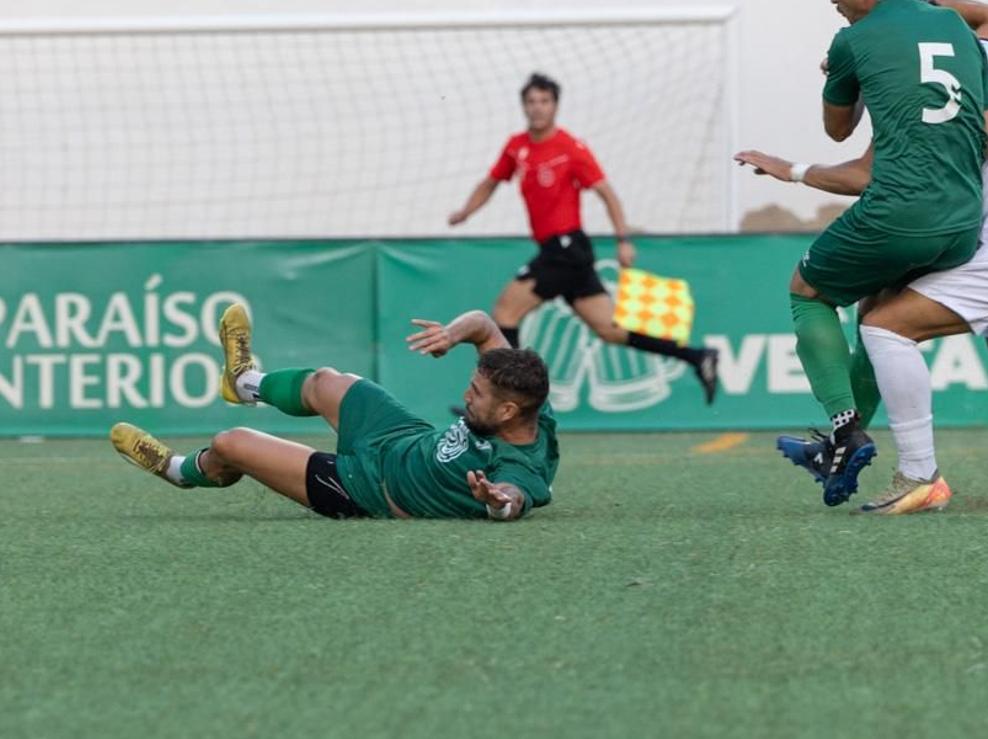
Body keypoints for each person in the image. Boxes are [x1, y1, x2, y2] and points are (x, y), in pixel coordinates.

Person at [736, 0, 988, 514]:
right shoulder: (981, 63)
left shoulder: (921, 101)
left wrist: (793, 168)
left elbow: (869, 172)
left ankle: (918, 475)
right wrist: (917, 3)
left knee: (885, 327)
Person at [764, 0, 988, 508]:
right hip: (962, 222)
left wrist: (844, 76)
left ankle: (845, 426)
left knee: (807, 292)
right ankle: (842, 449)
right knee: (878, 310)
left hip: (900, 211)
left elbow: (837, 128)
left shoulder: (854, 40)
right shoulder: (955, 28)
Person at [110, 304, 557, 521]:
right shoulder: (527, 397)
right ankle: (244, 382)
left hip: (367, 488)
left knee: (232, 444)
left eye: (476, 394)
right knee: (326, 381)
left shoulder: (519, 468)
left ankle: (177, 469)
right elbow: (483, 322)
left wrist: (497, 504)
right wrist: (452, 335)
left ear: (508, 411)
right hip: (403, 437)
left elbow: (512, 499)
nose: (467, 394)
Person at [448, 72, 720, 403]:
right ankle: (697, 357)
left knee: (505, 312)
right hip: (562, 252)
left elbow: (607, 193)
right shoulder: (516, 147)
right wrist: (466, 211)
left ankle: (505, 400)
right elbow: (491, 182)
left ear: (556, 105)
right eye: (531, 101)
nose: (537, 108)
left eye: (544, 101)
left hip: (566, 247)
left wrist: (623, 239)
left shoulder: (570, 147)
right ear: (524, 106)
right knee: (609, 330)